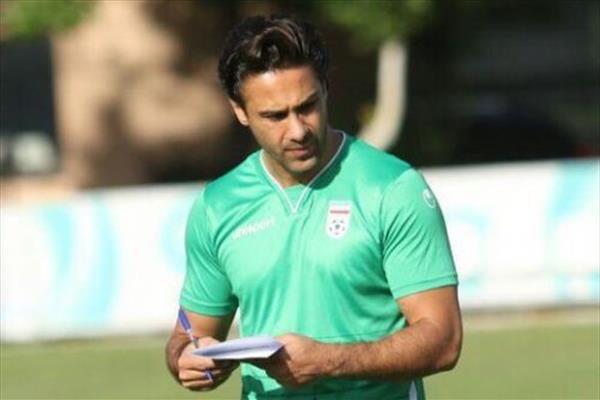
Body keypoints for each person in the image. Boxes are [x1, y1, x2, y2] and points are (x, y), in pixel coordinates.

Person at [166, 14, 462, 400]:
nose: (298, 130)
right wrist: (187, 358)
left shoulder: (392, 189)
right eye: (275, 116)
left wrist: (328, 361)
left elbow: (444, 340)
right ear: (239, 110)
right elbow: (189, 334)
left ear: (325, 89)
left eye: (307, 106)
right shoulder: (216, 206)